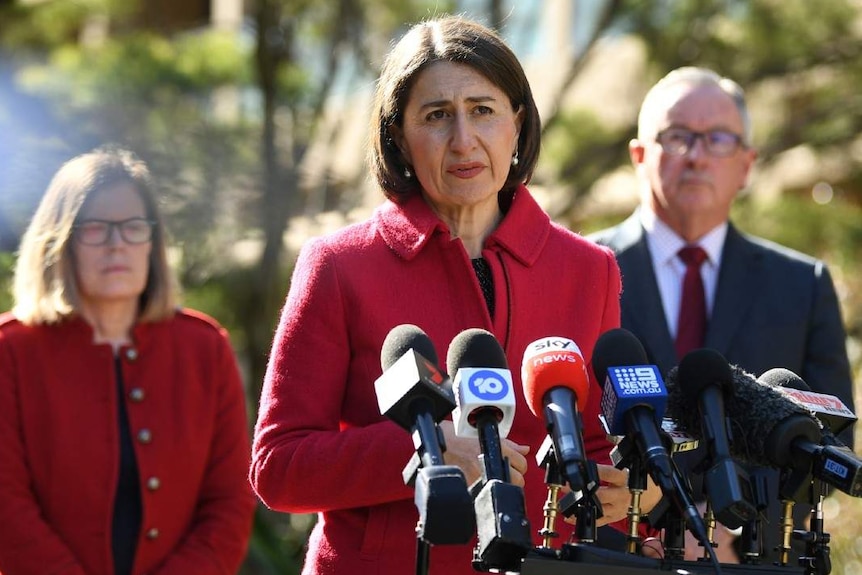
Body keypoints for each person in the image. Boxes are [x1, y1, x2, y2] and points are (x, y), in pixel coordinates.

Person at [249, 15, 662, 575]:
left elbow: (590, 447)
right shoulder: (339, 267)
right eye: (437, 116)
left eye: (483, 111)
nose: (463, 140)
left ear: (517, 124)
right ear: (398, 135)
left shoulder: (589, 270)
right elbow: (278, 466)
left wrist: (627, 489)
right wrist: (426, 454)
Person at [589, 66, 855, 563]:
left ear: (747, 164)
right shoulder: (580, 269)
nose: (696, 156)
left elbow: (831, 444)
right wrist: (655, 513)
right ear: (639, 155)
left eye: (717, 139)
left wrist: (725, 522)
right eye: (677, 136)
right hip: (615, 555)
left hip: (753, 558)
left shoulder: (803, 286)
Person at [0, 147, 257, 575]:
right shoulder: (11, 351)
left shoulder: (204, 349)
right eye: (96, 228)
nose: (117, 244)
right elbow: (5, 506)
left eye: (134, 227)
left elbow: (229, 500)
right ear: (59, 241)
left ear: (153, 243)